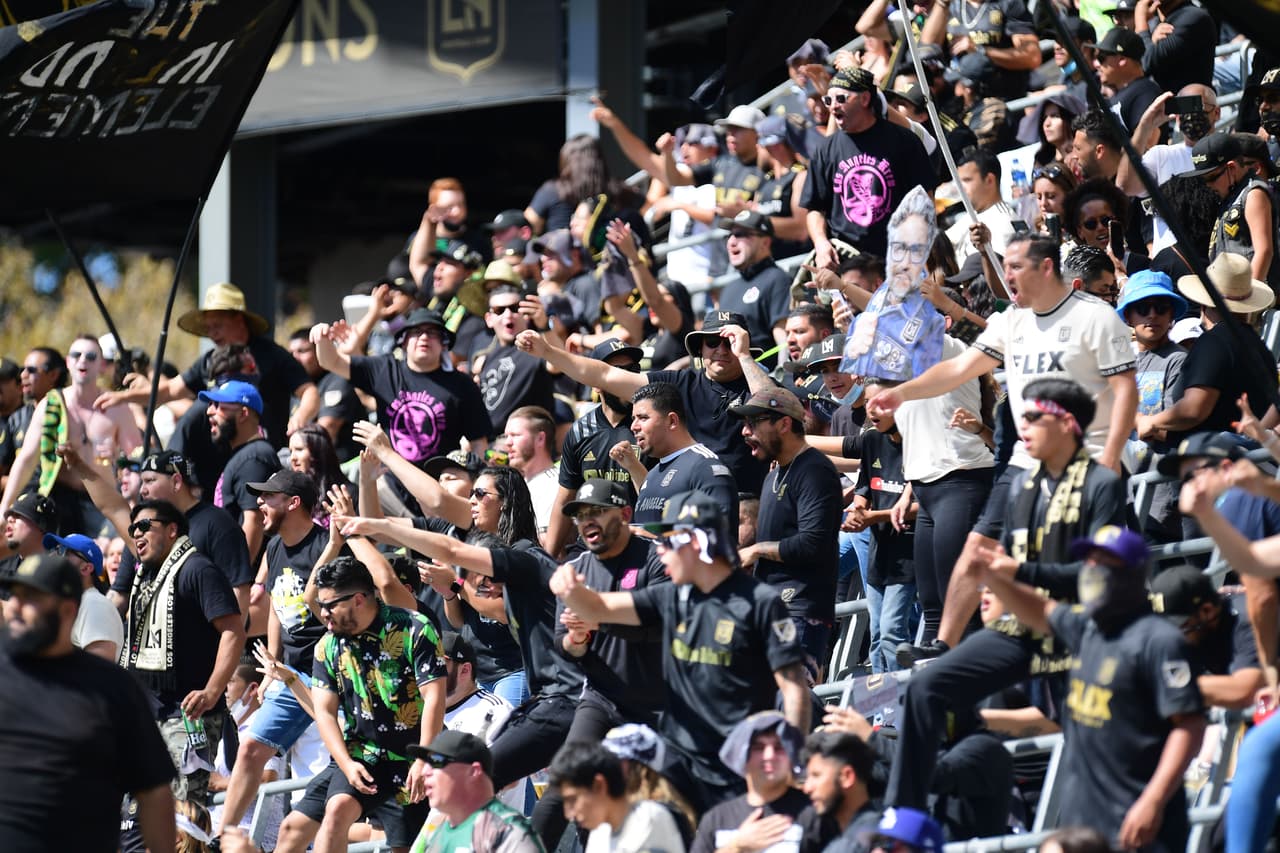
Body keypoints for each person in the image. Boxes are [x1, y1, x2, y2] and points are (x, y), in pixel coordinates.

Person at [873, 234, 1137, 662]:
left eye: (1015, 266)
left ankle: (1106, 644)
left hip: (1086, 458)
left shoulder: (1095, 316)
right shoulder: (1011, 320)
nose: (1006, 275)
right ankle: (944, 645)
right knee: (977, 548)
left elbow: (1126, 391)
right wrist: (901, 393)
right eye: (1006, 266)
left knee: (1081, 566)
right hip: (1024, 460)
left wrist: (1109, 459)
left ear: (1046, 267)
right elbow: (959, 368)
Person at [885, 378, 1127, 815]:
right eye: (1021, 416)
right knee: (925, 688)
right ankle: (903, 819)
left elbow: (1098, 579)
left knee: (1088, 731)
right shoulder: (1020, 487)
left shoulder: (1102, 484)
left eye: (1034, 417)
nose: (1023, 425)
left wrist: (1016, 573)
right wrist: (997, 578)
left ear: (1068, 424)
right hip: (1022, 624)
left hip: (1077, 628)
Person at [549, 490, 810, 812]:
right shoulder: (672, 598)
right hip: (679, 767)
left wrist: (793, 759)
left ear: (696, 542)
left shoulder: (761, 603)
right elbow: (597, 607)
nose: (659, 551)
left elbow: (794, 688)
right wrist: (568, 587)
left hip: (738, 769)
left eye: (667, 541)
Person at [976, 525, 1206, 851]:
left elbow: (1190, 726)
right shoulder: (1088, 628)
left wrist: (1153, 800)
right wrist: (995, 577)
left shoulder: (1160, 640)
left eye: (1103, 563)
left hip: (1139, 823)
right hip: (1084, 821)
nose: (1091, 571)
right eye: (1089, 562)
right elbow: (1041, 610)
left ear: (1133, 574)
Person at [0, 553, 177, 852]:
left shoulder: (112, 687)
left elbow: (154, 791)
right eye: (15, 595)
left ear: (68, 610)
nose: (15, 606)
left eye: (31, 598)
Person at [516, 310, 769, 493]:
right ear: (701, 348)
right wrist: (547, 351)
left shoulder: (760, 383)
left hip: (749, 501)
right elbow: (605, 375)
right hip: (692, 503)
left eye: (730, 342)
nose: (722, 350)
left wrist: (745, 356)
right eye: (713, 341)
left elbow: (772, 407)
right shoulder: (680, 383)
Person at [217, 470, 336, 843]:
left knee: (325, 773)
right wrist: (271, 665)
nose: (259, 503)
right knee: (251, 749)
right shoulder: (273, 548)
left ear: (293, 502)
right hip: (288, 672)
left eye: (269, 497)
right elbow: (275, 609)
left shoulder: (326, 545)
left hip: (329, 676)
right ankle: (224, 838)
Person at [310, 556, 447, 853]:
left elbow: (434, 697)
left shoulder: (414, 627)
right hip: (364, 753)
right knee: (335, 812)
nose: (322, 613)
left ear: (358, 599)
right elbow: (324, 712)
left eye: (329, 605)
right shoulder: (328, 644)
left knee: (409, 848)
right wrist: (346, 764)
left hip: (413, 752)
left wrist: (423, 758)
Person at [120, 499, 246, 803]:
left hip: (190, 717)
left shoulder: (198, 569)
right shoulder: (145, 579)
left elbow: (234, 631)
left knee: (181, 813)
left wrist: (211, 692)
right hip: (148, 718)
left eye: (145, 526)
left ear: (172, 530)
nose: (137, 534)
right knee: (137, 815)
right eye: (133, 529)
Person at [96, 282, 318, 450]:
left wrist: (300, 417)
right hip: (220, 459)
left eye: (218, 325)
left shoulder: (272, 355)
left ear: (239, 321)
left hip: (266, 451)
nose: (212, 334)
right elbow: (170, 390)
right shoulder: (209, 360)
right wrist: (123, 397)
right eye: (208, 327)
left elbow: (309, 391)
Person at [312, 307, 492, 511]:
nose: (424, 337)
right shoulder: (385, 369)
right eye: (416, 332)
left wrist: (475, 482)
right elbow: (331, 361)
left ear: (444, 343)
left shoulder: (463, 385)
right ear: (403, 341)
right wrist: (322, 339)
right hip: (390, 485)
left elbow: (478, 443)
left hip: (438, 490)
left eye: (432, 333)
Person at [732, 386, 842, 678]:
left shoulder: (815, 470)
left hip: (799, 611)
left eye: (753, 422)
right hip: (769, 608)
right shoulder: (773, 474)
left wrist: (757, 550)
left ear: (783, 423)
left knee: (792, 702)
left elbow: (813, 544)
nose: (745, 431)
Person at [1, 335, 141, 538]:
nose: (83, 360)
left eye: (90, 356)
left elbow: (137, 458)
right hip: (59, 499)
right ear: (68, 362)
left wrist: (117, 457)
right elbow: (26, 460)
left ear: (102, 365)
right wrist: (4, 507)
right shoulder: (51, 405)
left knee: (103, 554)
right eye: (76, 355)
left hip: (102, 501)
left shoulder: (116, 407)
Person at [1135, 253, 1277, 447]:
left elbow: (1193, 410)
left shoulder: (1214, 342)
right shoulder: (1259, 347)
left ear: (1204, 303)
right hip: (1243, 456)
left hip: (1216, 459)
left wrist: (1150, 422)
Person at [803, 67, 936, 264]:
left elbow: (926, 198)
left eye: (841, 99)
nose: (833, 107)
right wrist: (821, 243)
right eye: (828, 100)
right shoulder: (825, 150)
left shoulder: (903, 141)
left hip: (898, 257)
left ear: (865, 99)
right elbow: (815, 208)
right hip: (849, 262)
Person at [547, 339, 643, 559]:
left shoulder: (649, 425)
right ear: (595, 382)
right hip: (591, 544)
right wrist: (547, 560)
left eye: (633, 370)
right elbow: (565, 498)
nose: (627, 378)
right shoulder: (580, 431)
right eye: (617, 371)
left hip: (638, 540)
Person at [690, 712, 835, 853]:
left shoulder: (816, 813)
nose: (769, 756)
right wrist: (736, 847)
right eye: (758, 748)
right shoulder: (717, 819)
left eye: (779, 747)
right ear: (741, 756)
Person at [629, 381, 739, 541]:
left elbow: (719, 539)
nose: (634, 426)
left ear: (672, 421)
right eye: (633, 419)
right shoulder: (652, 475)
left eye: (643, 418)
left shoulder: (705, 467)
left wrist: (654, 539)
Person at [407, 730, 544, 853]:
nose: (425, 771)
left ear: (474, 771)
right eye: (426, 763)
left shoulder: (506, 830)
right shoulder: (436, 829)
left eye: (436, 762)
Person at [1150, 564, 1265, 709]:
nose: (1171, 635)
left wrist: (1172, 685)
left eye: (1178, 626)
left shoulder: (1248, 621)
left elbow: (1245, 691)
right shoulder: (1195, 631)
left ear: (1207, 611)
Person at [549, 741, 686, 853]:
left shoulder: (648, 820)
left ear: (599, 785)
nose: (569, 814)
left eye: (573, 799)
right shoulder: (600, 832)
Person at [1182, 133, 1280, 286]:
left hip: (1252, 294)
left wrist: (1249, 296)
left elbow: (1264, 251)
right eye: (1203, 180)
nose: (1208, 185)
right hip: (1229, 291)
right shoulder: (1229, 196)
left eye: (1212, 177)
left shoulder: (1253, 194)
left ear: (1232, 168)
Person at [199, 380, 281, 561]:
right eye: (211, 404)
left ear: (243, 413)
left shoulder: (253, 458)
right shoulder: (246, 455)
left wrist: (238, 574)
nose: (209, 411)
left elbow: (254, 522)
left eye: (218, 406)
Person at [715, 211, 793, 365]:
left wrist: (781, 374)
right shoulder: (729, 288)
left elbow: (785, 341)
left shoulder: (777, 279)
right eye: (729, 235)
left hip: (762, 373)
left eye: (741, 234)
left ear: (765, 242)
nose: (731, 242)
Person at [475, 287, 556, 434]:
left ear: (525, 314)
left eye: (514, 308)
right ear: (489, 319)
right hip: (487, 441)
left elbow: (558, 365)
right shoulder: (484, 358)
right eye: (499, 310)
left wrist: (544, 326)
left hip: (525, 439)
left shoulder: (536, 346)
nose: (508, 314)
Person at [287, 328, 364, 460]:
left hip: (347, 466)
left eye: (302, 351)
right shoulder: (298, 388)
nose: (295, 358)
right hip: (313, 463)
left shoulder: (338, 379)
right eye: (291, 353)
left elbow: (326, 430)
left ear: (319, 351)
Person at [42, 531, 120, 661]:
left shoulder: (95, 605)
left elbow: (99, 669)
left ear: (86, 568)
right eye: (56, 550)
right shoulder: (73, 603)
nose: (54, 556)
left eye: (63, 552)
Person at [799, 731, 882, 848]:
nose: (807, 788)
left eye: (816, 775)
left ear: (847, 777)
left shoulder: (878, 842)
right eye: (807, 778)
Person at [945, 148, 1018, 263]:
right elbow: (941, 243)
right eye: (959, 182)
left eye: (967, 180)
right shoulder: (973, 215)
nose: (960, 187)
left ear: (989, 180)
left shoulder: (1004, 222)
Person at [1134, 0, 1217, 95]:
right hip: (1160, 100)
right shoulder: (1154, 21)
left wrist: (1141, 26)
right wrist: (1150, 40)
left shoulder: (1192, 16)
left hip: (1187, 102)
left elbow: (1145, 64)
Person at [1087, 28, 1161, 134]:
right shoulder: (1122, 94)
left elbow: (1148, 140)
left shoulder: (1145, 91)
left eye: (1101, 58)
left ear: (1122, 60)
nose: (1097, 64)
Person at [502, 406, 560, 537]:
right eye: (506, 436)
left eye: (515, 435)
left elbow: (545, 542)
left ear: (540, 438)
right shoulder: (516, 484)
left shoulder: (553, 485)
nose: (507, 442)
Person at [0, 491, 55, 579]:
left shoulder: (56, 573)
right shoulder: (3, 568)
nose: (9, 519)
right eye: (10, 515)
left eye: (18, 515)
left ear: (41, 526)